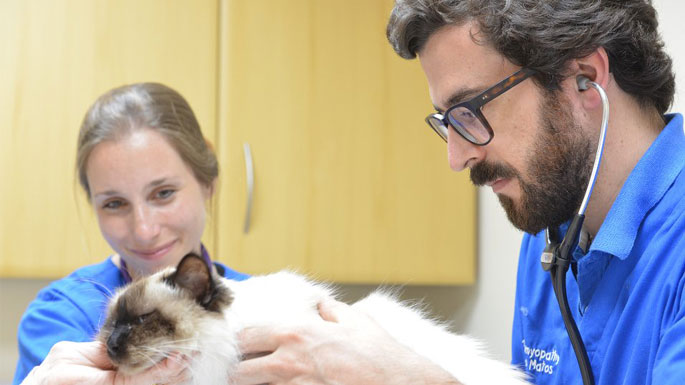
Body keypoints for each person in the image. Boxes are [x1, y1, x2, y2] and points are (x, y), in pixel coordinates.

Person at [233, 0, 683, 384]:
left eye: (469, 110)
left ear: (585, 77)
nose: (457, 157)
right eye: (448, 121)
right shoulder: (552, 229)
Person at [13, 82, 249, 385]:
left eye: (163, 193)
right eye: (114, 203)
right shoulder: (62, 315)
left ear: (209, 184)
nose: (144, 230)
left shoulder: (267, 308)